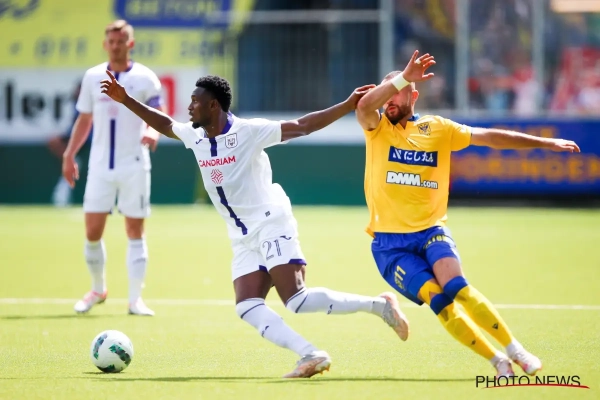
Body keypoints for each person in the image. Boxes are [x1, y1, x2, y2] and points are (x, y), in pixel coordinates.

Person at [98, 55, 437, 377]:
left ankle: (380, 306)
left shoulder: (248, 131)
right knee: (247, 305)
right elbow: (165, 124)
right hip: (242, 236)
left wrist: (348, 105)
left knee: (296, 299)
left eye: (195, 101)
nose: (189, 107)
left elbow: (302, 126)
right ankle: (311, 354)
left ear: (213, 105)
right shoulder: (195, 136)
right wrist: (125, 99)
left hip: (271, 222)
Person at [355, 50, 581, 377]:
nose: (388, 98)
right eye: (385, 91)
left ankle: (516, 350)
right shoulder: (376, 128)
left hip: (430, 231)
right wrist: (401, 78)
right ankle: (498, 362)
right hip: (390, 246)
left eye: (397, 91)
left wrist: (545, 144)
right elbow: (364, 106)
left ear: (413, 96)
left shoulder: (437, 128)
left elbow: (490, 137)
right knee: (440, 303)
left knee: (458, 288)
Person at [62, 20, 165, 316]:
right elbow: (84, 119)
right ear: (105, 44)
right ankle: (98, 289)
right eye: (111, 41)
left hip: (134, 165)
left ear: (130, 44)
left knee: (135, 230)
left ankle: (135, 300)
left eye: (121, 41)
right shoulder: (92, 76)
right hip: (99, 167)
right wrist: (69, 154)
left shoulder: (145, 78)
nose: (116, 46)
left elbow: (158, 113)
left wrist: (153, 132)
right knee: (93, 231)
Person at [47, 81, 89, 207]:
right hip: (75, 139)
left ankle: (73, 160)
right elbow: (73, 128)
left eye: (80, 90)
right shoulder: (75, 105)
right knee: (53, 142)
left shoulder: (88, 106)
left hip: (86, 140)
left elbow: (83, 127)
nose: (77, 92)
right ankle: (72, 160)